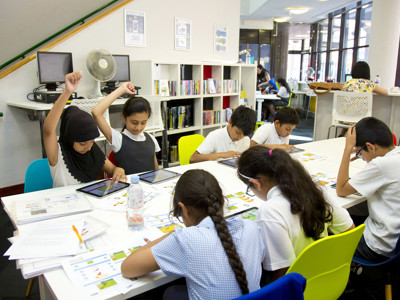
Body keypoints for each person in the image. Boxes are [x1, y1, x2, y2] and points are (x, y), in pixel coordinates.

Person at [121, 169, 265, 300]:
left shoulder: (186, 239)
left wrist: (174, 234)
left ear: (183, 209)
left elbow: (128, 268)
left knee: (170, 294)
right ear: (222, 200)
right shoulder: (250, 227)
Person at [237, 146, 354, 283]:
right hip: (330, 278)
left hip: (299, 291)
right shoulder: (316, 191)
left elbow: (282, 274)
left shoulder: (270, 211)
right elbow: (350, 230)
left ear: (256, 183)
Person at [43, 72, 126, 188]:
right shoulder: (57, 154)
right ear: (70, 137)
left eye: (92, 141)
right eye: (82, 143)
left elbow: (112, 169)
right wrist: (67, 91)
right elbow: (48, 131)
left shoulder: (91, 150)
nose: (88, 147)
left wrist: (118, 170)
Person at [336, 117, 400, 262]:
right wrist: (367, 156)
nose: (362, 157)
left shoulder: (380, 165)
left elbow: (341, 189)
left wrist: (347, 150)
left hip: (379, 245)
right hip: (396, 240)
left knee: (331, 226)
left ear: (371, 147)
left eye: (359, 152)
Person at [92, 83, 160, 175]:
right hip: (129, 188)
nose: (138, 127)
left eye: (143, 123)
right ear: (124, 117)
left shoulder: (151, 139)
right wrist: (122, 89)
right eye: (134, 122)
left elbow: (156, 170)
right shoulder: (118, 139)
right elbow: (96, 112)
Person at [190, 105, 256, 163]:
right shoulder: (215, 136)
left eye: (244, 135)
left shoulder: (245, 139)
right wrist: (222, 155)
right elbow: (193, 158)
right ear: (230, 122)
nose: (239, 137)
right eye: (237, 132)